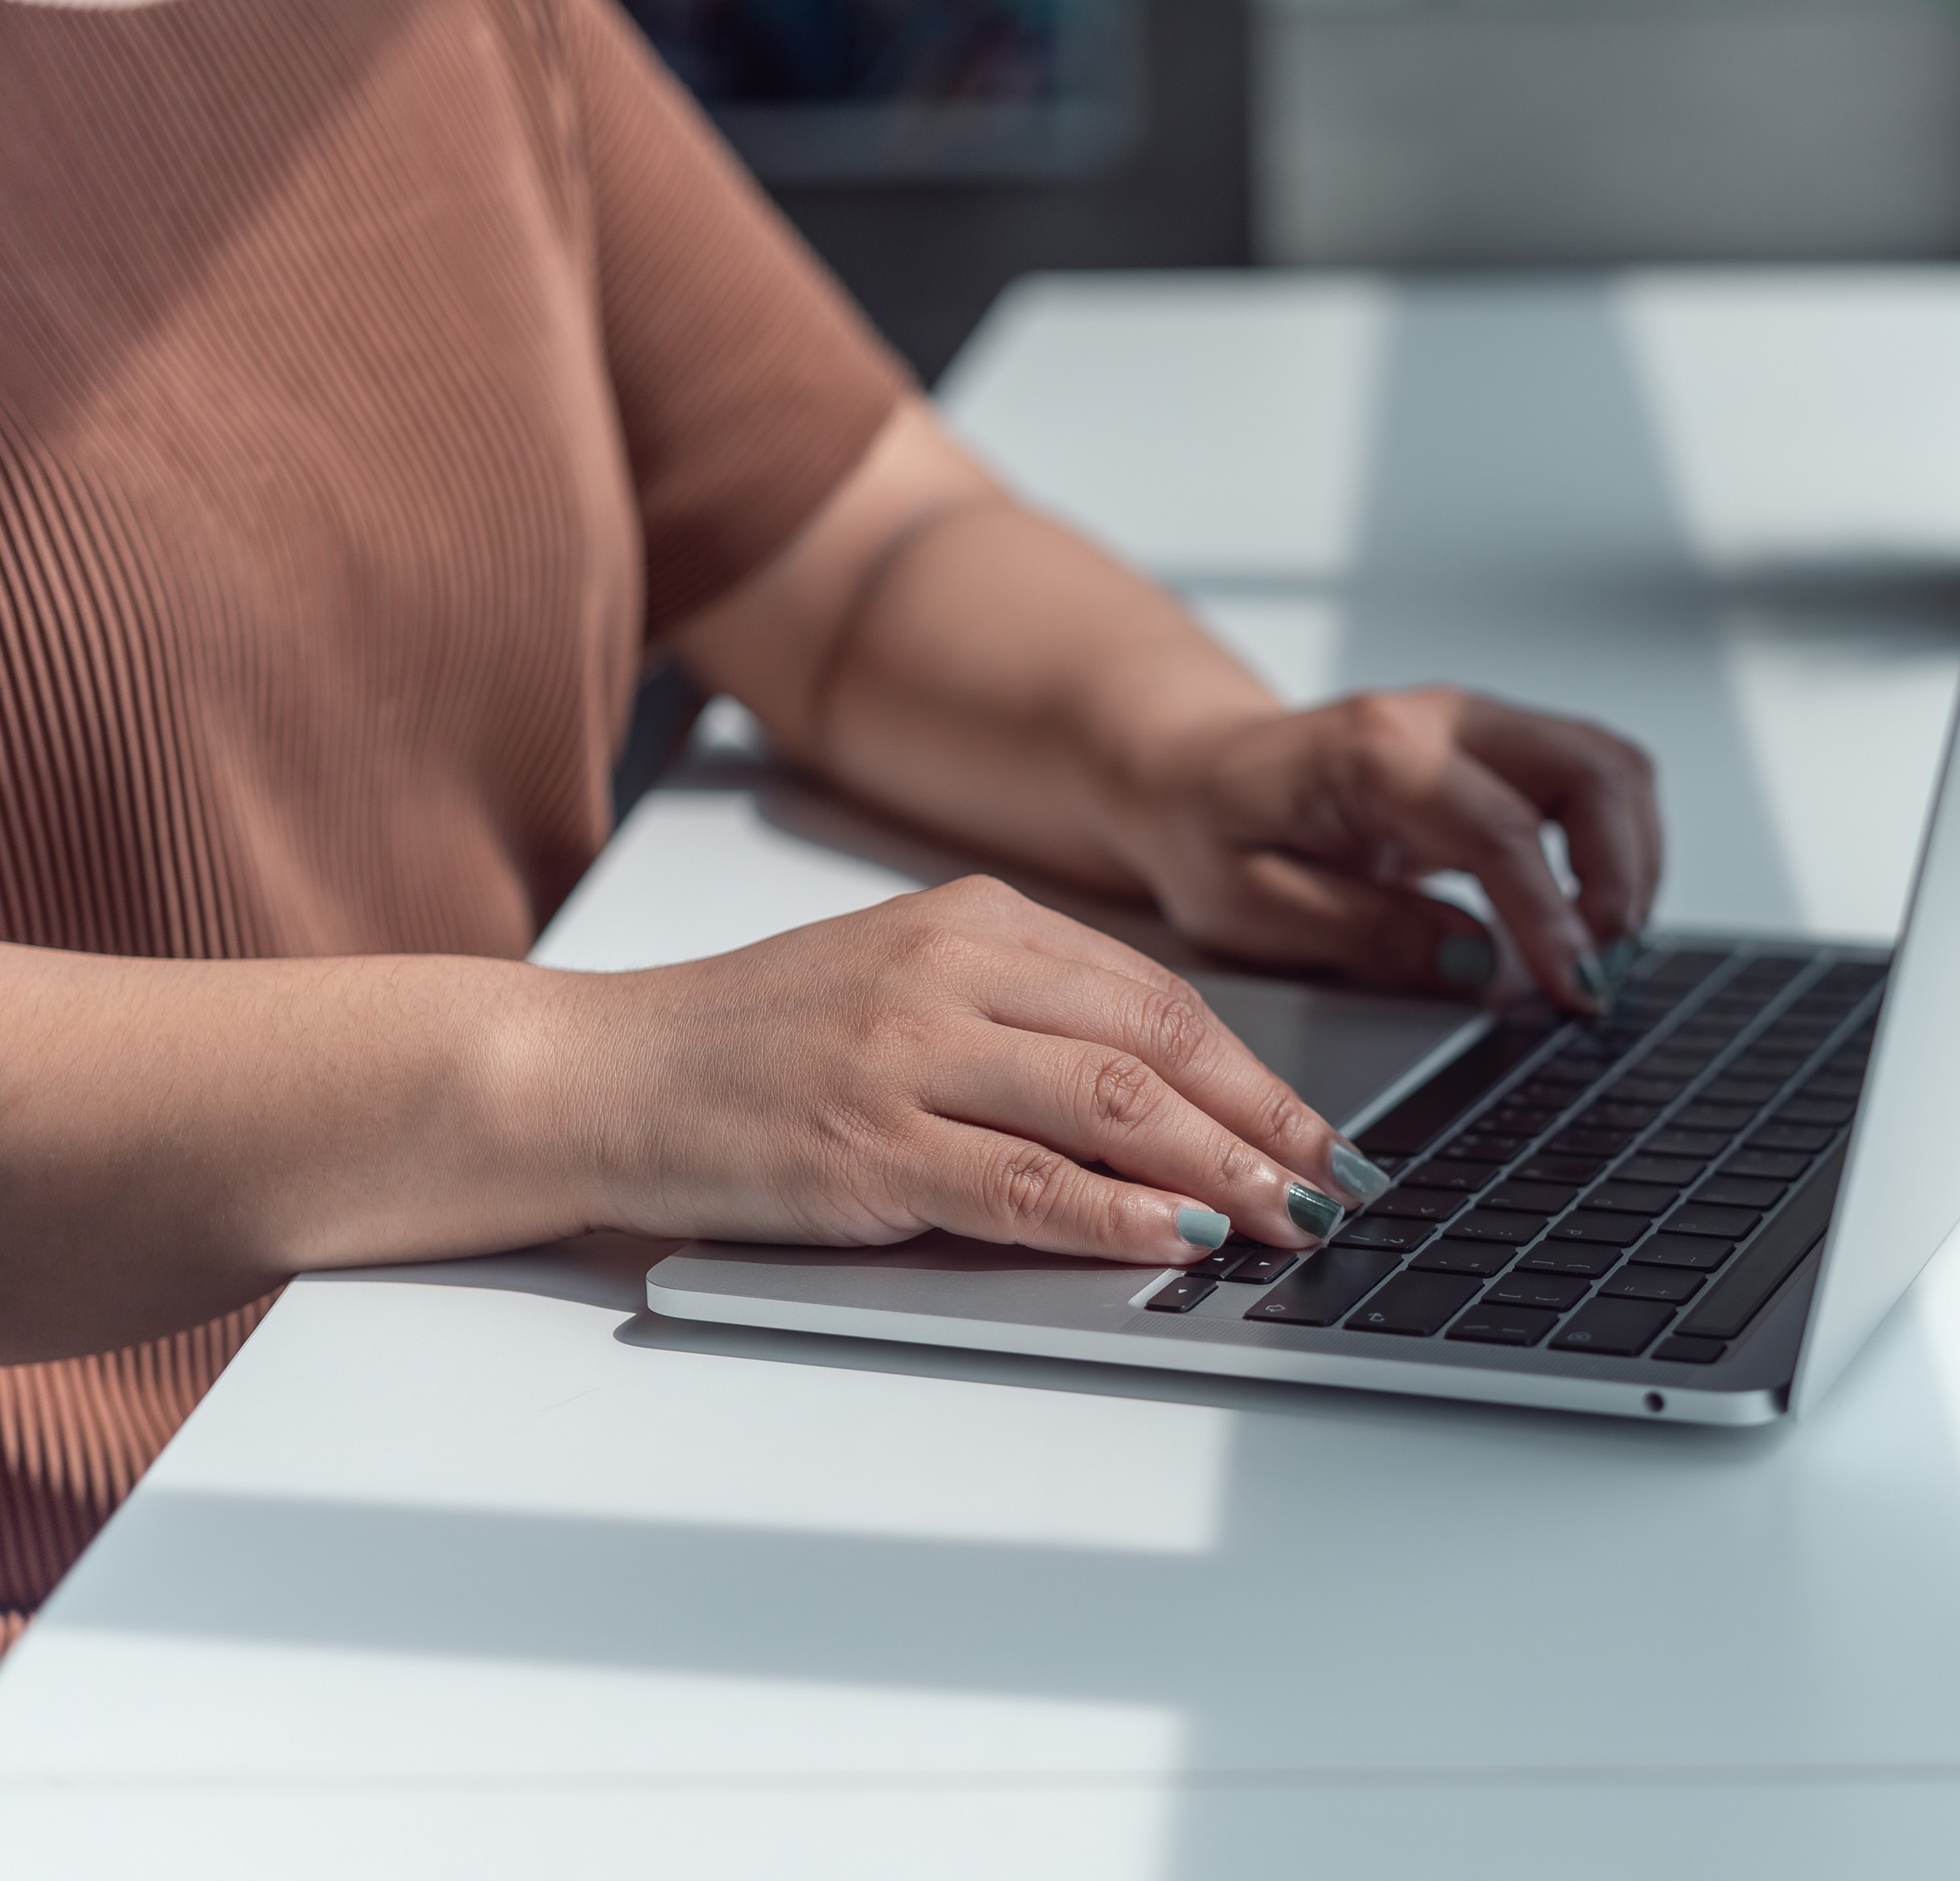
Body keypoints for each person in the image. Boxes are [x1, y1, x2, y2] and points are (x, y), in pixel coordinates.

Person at [0, 0, 1661, 1648]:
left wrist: (1182, 751)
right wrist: (595, 1069)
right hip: (114, 1594)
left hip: (515, 1381)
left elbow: (846, 530)